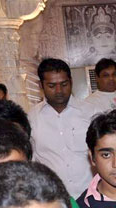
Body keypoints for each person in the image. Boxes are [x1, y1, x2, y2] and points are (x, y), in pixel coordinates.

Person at [29, 58, 97, 197]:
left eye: (64, 84)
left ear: (71, 82)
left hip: (90, 197)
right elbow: (30, 161)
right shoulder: (31, 118)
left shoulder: (91, 113)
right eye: (52, 86)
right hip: (52, 199)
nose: (59, 90)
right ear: (41, 86)